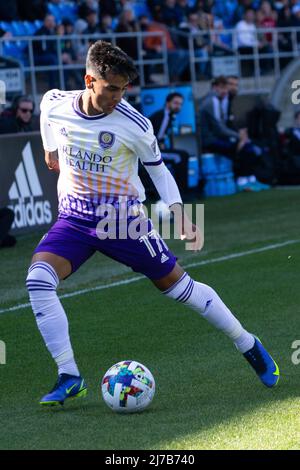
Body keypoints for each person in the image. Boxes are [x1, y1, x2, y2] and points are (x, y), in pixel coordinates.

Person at [26, 40, 279, 406]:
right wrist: (50, 148)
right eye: (111, 87)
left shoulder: (135, 124)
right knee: (38, 280)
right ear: (89, 80)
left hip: (122, 221)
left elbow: (159, 172)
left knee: (179, 288)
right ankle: (69, 375)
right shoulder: (57, 102)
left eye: (124, 89)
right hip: (74, 218)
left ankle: (247, 343)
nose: (118, 96)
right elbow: (45, 112)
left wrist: (178, 214)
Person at [149, 92, 190, 193]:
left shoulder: (168, 115)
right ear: (168, 103)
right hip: (150, 152)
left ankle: (181, 190)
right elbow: (156, 137)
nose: (178, 106)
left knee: (183, 155)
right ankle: (181, 192)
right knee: (180, 157)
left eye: (180, 104)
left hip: (156, 149)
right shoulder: (163, 116)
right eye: (176, 103)